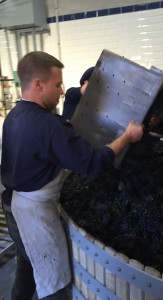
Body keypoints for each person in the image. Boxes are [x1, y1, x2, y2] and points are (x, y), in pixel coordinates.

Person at [0, 51, 143, 300]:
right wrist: (127, 137)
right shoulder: (47, 125)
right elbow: (93, 164)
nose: (62, 91)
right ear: (38, 85)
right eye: (57, 85)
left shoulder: (14, 116)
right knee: (54, 280)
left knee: (26, 262)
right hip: (34, 213)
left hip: (11, 205)